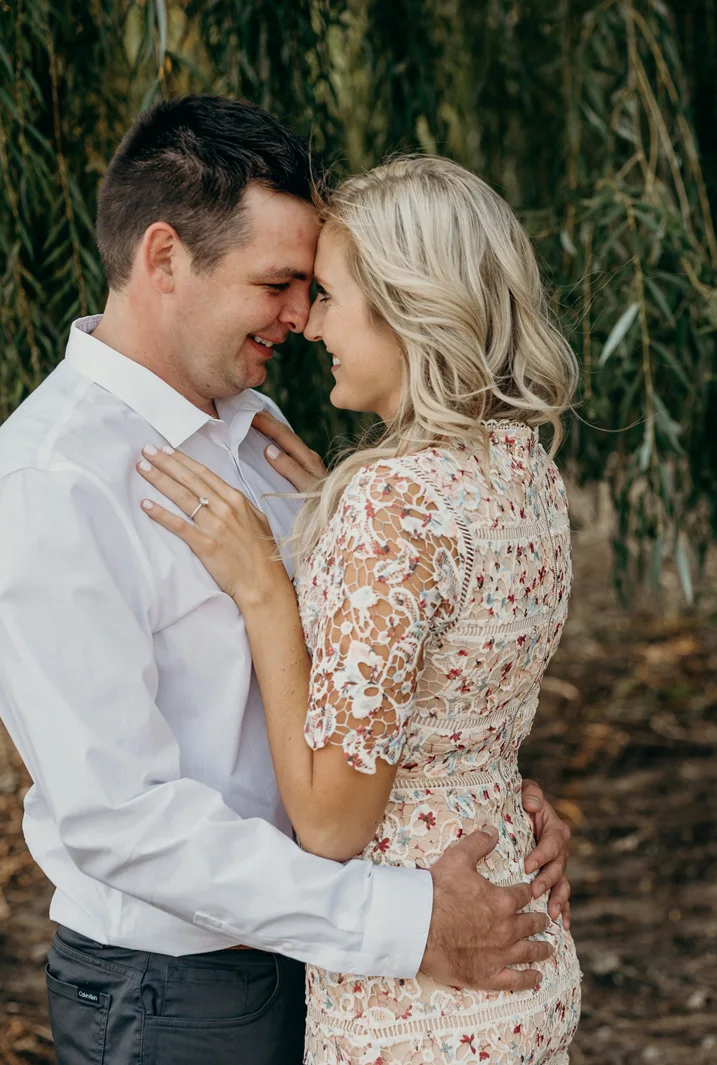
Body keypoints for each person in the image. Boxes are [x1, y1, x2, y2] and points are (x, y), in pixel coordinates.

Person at [0, 96, 573, 1065]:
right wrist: (403, 919)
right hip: (182, 994)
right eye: (280, 283)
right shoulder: (50, 483)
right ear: (165, 258)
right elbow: (123, 818)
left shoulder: (263, 437)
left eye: (314, 288)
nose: (301, 317)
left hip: (344, 962)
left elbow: (381, 684)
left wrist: (483, 799)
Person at [133, 154, 583, 1062]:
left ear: (410, 307)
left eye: (331, 295)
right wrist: (330, 540)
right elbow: (459, 701)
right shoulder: (526, 469)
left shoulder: (394, 506)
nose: (309, 323)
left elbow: (332, 826)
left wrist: (267, 587)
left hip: (420, 993)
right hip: (518, 940)